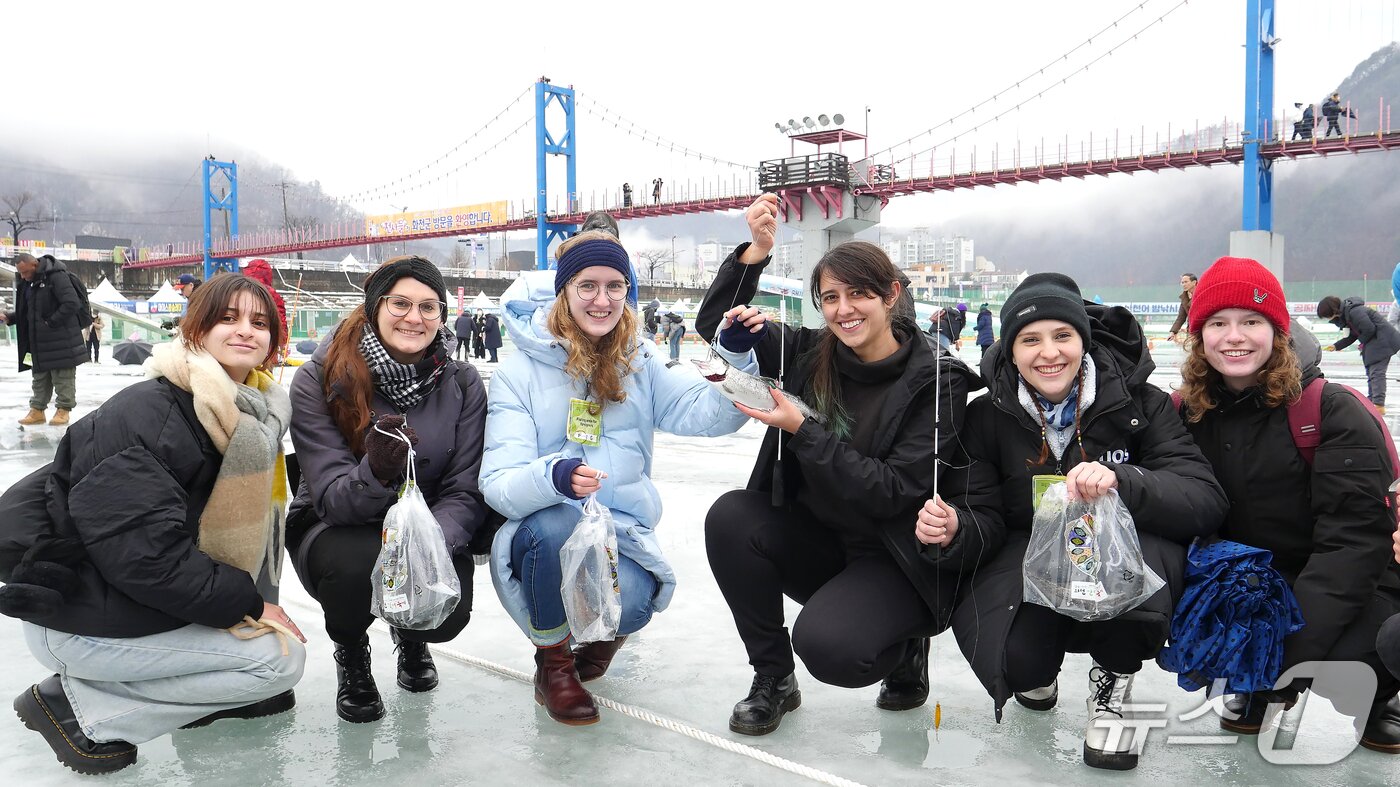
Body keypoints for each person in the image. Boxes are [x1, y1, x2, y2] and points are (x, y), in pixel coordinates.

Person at [696, 194, 983, 736]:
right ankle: (773, 679)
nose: (843, 309)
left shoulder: (937, 382)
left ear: (891, 294)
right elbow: (715, 326)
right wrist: (754, 260)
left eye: (859, 294)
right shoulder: (812, 352)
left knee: (835, 651)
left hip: (893, 554)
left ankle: (904, 644)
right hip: (823, 540)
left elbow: (894, 491)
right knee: (731, 517)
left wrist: (805, 431)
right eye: (830, 297)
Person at [5, 273, 305, 775]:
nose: (245, 331)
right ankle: (78, 709)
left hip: (121, 600)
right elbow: (145, 557)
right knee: (277, 660)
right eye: (227, 319)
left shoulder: (250, 411)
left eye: (259, 322)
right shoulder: (156, 414)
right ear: (195, 330)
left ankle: (171, 693)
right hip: (76, 615)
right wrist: (249, 603)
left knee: (267, 654)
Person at [933, 272, 1227, 770]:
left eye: (1062, 335)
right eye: (1030, 340)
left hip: (1118, 551)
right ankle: (1038, 669)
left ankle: (1113, 683)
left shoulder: (1142, 404)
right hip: (1031, 552)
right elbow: (983, 513)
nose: (1049, 353)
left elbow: (1203, 498)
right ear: (1010, 349)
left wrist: (1125, 480)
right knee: (1018, 663)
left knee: (1140, 587)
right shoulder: (986, 417)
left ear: (1083, 340)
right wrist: (956, 528)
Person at [480, 230, 755, 726]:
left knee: (635, 604)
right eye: (587, 285)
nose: (602, 300)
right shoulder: (517, 372)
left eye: (615, 286)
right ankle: (554, 665)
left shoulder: (638, 360)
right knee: (551, 527)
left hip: (619, 533)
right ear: (564, 291)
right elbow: (498, 482)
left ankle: (601, 637)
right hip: (538, 533)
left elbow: (707, 414)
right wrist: (554, 477)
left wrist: (733, 358)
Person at [1176, 256, 1400, 753]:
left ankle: (1380, 694)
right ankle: (1253, 684)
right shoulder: (1185, 413)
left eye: (1251, 321)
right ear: (1200, 335)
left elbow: (1355, 542)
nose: (1235, 337)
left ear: (1277, 331)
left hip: (1345, 580)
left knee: (1350, 658)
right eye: (1218, 323)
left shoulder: (1331, 410)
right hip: (1253, 582)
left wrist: (1287, 652)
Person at [286, 256, 488, 724]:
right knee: (356, 570)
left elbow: (464, 488)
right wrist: (376, 470)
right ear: (375, 307)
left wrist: (427, 543)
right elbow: (332, 497)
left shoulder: (462, 383)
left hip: (429, 521)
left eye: (429, 307)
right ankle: (352, 651)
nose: (414, 318)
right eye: (400, 303)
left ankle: (412, 635)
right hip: (337, 524)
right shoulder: (319, 378)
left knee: (447, 615)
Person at [1, 253, 89, 426]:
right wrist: (10, 317)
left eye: (25, 272)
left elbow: (71, 303)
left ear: (34, 265)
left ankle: (63, 410)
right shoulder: (29, 282)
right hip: (37, 341)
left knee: (62, 376)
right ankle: (37, 410)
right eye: (21, 273)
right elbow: (29, 311)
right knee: (39, 377)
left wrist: (51, 321)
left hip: (60, 339)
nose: (23, 276)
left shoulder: (56, 276)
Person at [1317, 294, 1400, 412]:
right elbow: (1353, 335)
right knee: (1372, 372)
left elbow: (1369, 329)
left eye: (1326, 316)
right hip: (1376, 342)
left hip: (1383, 341)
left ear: (1332, 310)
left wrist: (1362, 343)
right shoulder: (1347, 315)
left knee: (1376, 373)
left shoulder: (1355, 312)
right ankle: (1373, 401)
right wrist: (1336, 346)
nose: (1328, 319)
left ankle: (1378, 404)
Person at [1167, 272, 1197, 343]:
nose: (1184, 284)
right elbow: (1181, 318)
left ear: (1194, 282)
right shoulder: (1184, 297)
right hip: (1191, 332)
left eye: (1186, 282)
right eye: (1182, 282)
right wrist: (1173, 332)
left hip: (1201, 331)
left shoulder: (1201, 294)